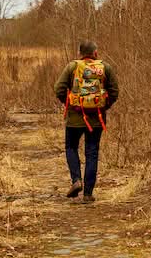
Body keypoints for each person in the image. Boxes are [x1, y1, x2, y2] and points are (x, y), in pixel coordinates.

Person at [53, 40, 119, 203]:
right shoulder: (105, 68)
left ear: (80, 53)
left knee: (71, 147)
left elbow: (58, 89)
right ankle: (88, 194)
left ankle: (76, 180)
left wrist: (70, 104)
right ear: (95, 53)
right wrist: (102, 106)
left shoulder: (72, 67)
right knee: (92, 152)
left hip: (74, 118)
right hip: (96, 119)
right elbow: (114, 91)